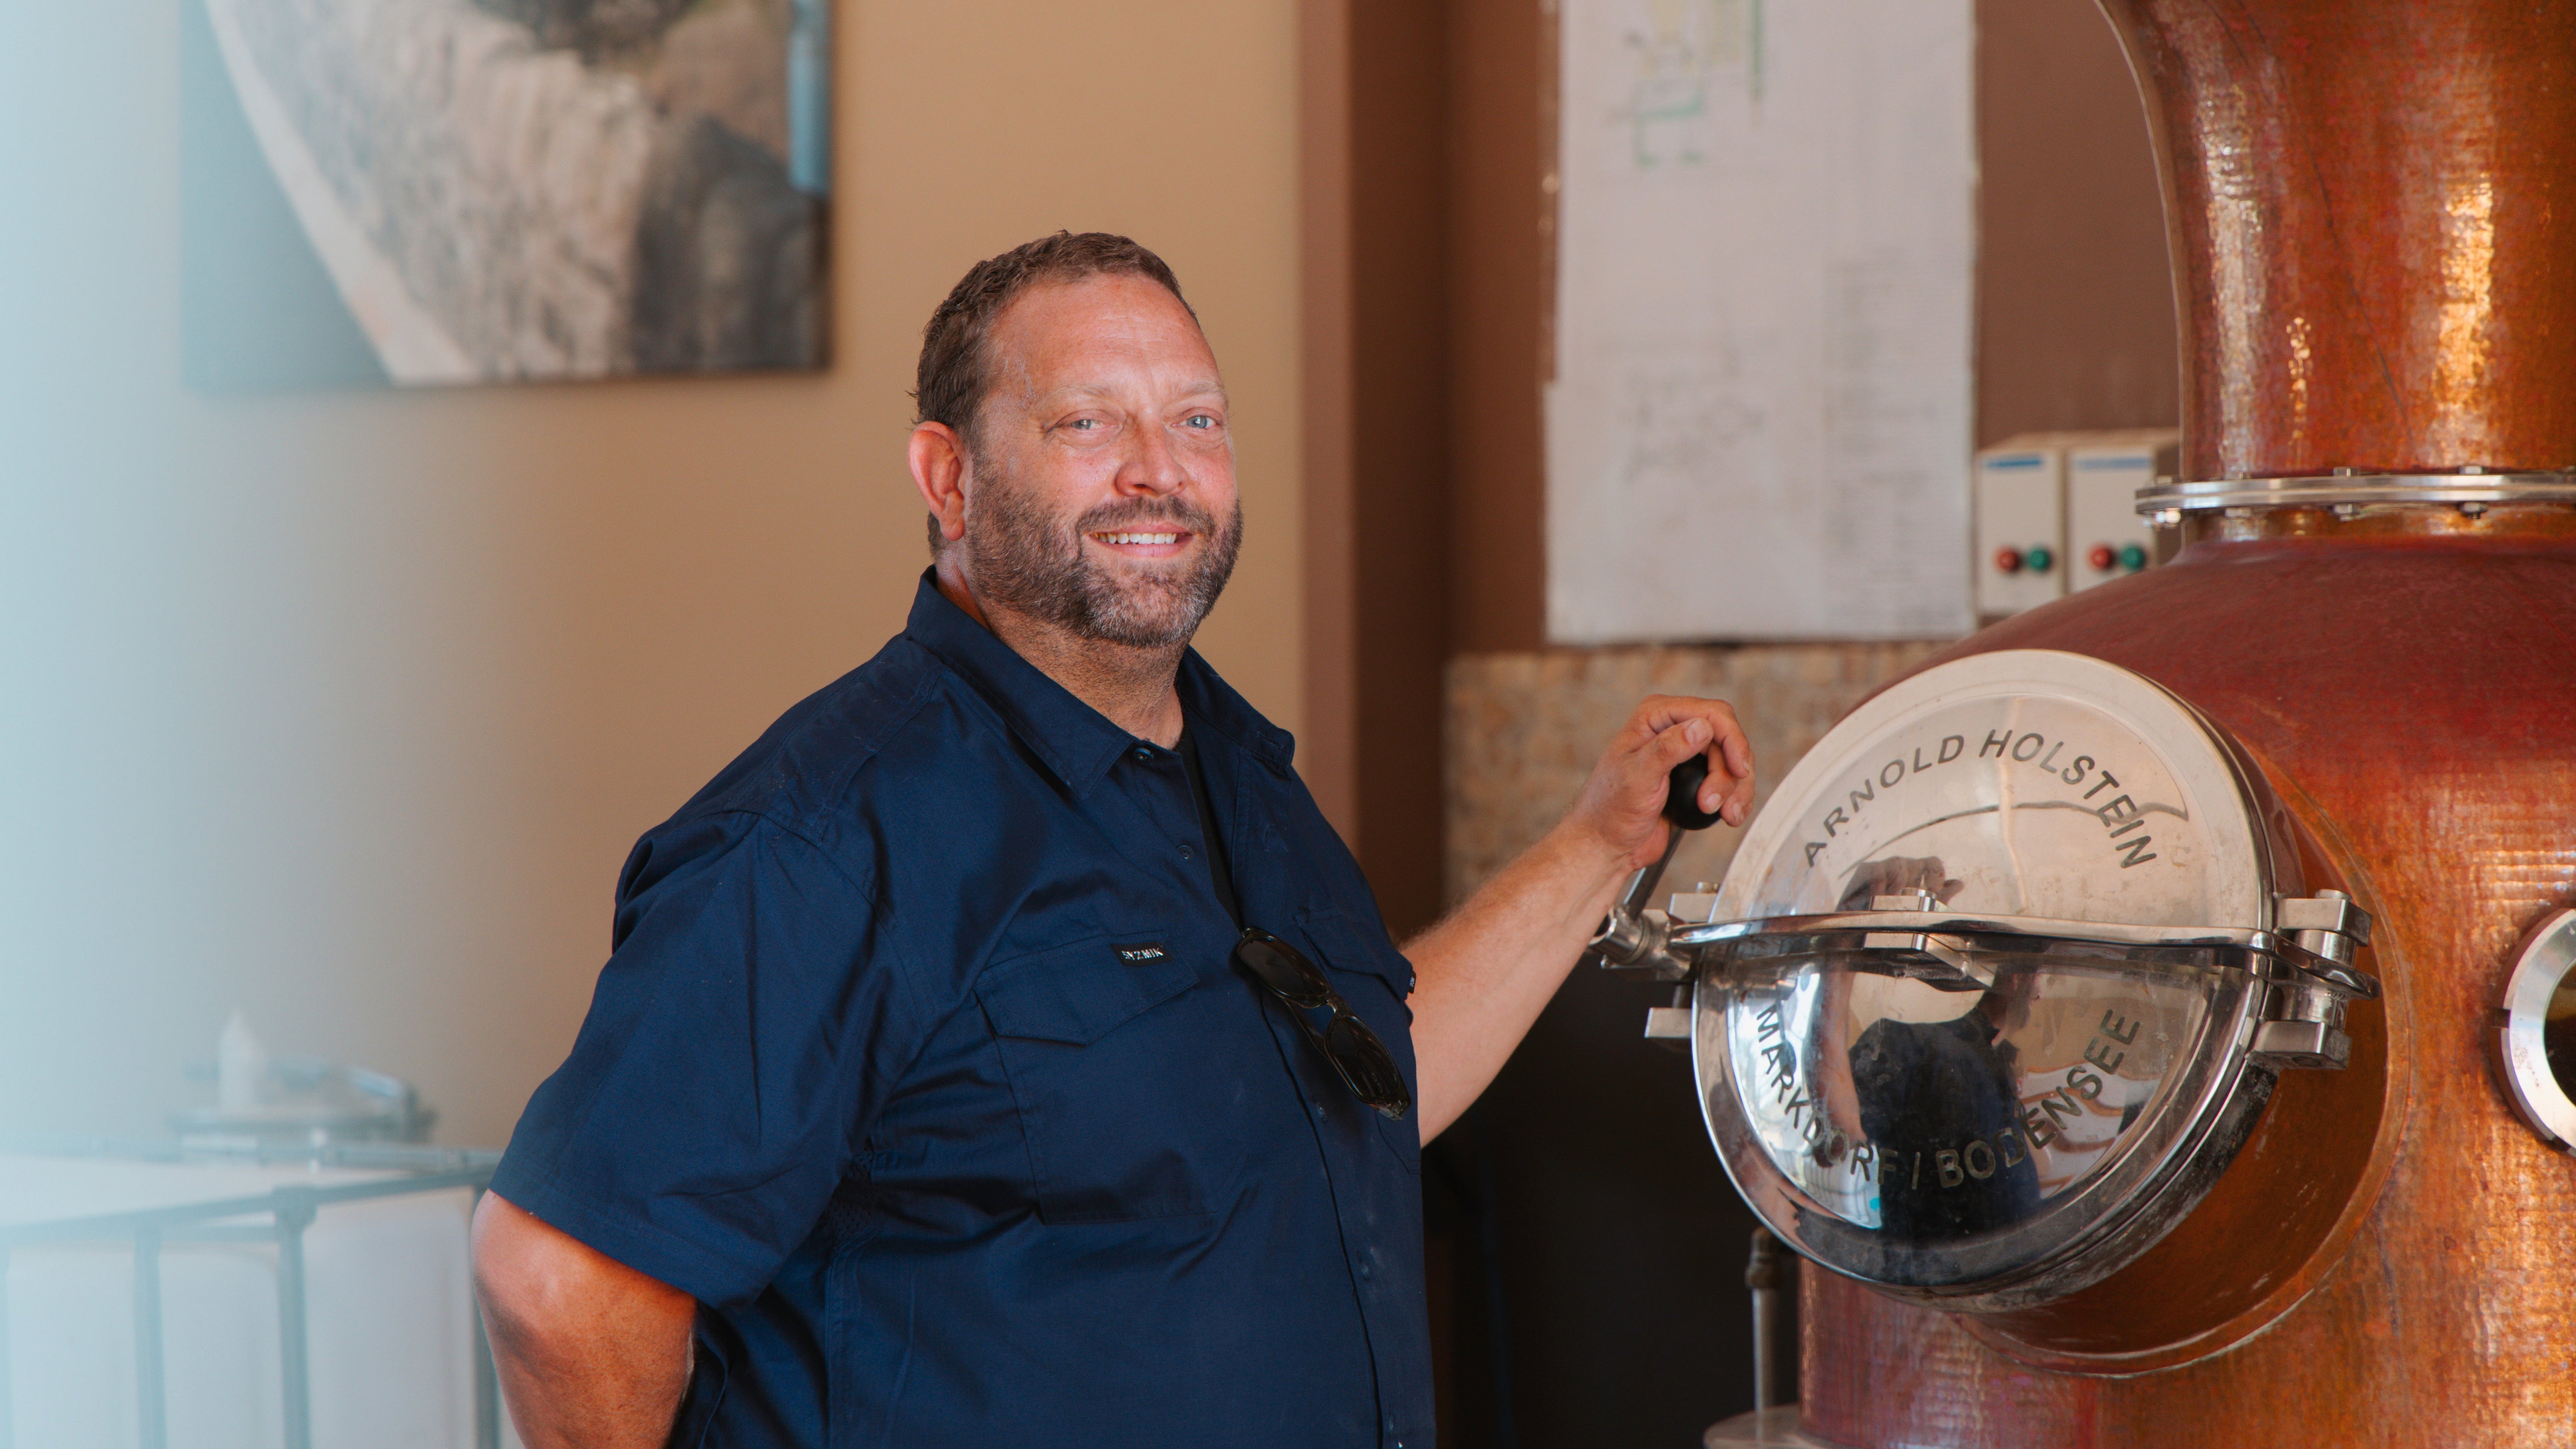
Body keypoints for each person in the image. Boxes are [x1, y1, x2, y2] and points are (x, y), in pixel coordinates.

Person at [470, 231, 1754, 1449]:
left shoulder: (1241, 782)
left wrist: (1600, 843)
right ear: (949, 476)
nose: (1159, 469)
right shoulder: (826, 837)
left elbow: (1359, 1094)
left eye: (1196, 420)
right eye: (1087, 423)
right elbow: (561, 1281)